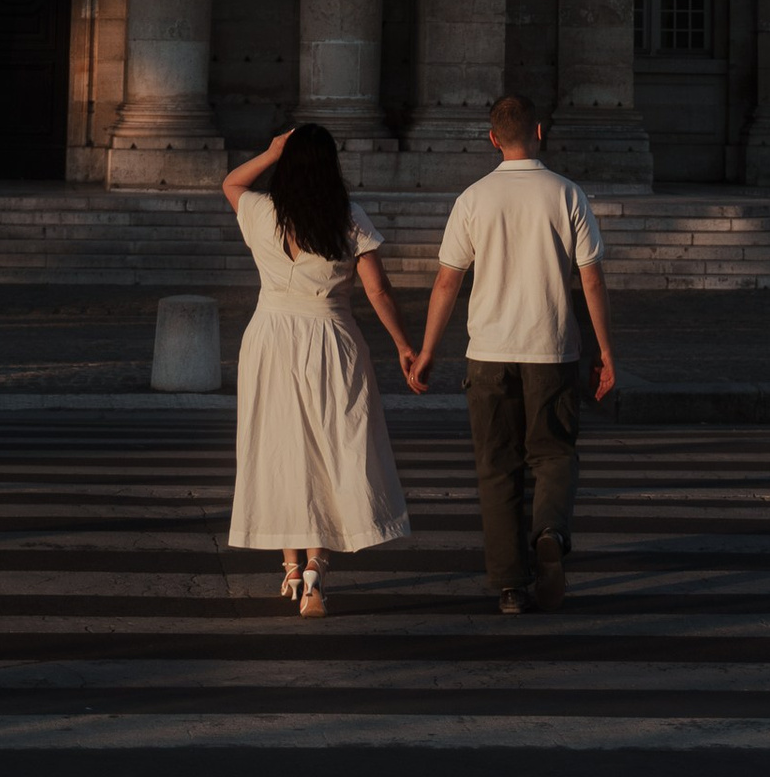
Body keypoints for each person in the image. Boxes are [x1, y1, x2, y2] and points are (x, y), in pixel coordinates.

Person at [410, 96, 617, 616]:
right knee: (553, 453)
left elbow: (446, 281)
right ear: (540, 132)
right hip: (552, 350)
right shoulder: (568, 194)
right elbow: (591, 279)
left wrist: (429, 350)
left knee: (497, 467)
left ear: (492, 138)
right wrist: (606, 351)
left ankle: (509, 587)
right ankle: (548, 530)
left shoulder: (473, 198)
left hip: (488, 354)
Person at [223, 120, 418, 614]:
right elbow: (378, 291)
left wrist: (270, 152)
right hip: (332, 337)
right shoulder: (348, 218)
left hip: (269, 337)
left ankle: (290, 565)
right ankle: (315, 569)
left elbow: (231, 183)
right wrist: (403, 345)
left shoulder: (263, 212)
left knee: (279, 446)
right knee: (333, 445)